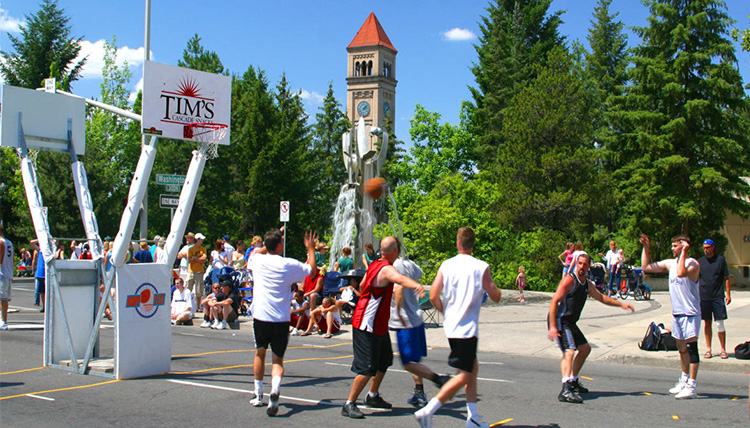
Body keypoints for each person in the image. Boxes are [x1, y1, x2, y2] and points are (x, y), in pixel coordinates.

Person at [414, 227, 500, 428]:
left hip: (452, 326)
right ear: (472, 244)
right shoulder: (481, 266)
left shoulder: (446, 265)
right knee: (464, 375)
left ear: (458, 243)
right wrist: (493, 290)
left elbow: (433, 295)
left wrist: (447, 311)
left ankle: (473, 416)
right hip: (466, 329)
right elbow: (495, 295)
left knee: (472, 367)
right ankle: (428, 410)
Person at [342, 236, 425, 420]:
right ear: (396, 252)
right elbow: (400, 279)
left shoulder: (374, 264)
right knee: (366, 368)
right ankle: (349, 403)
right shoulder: (387, 268)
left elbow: (363, 285)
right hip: (367, 324)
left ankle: (372, 395)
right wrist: (416, 285)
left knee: (385, 360)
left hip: (378, 324)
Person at [547, 251, 634, 404]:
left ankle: (572, 381)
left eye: (585, 264)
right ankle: (566, 389)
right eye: (579, 263)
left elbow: (601, 297)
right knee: (569, 351)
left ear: (589, 267)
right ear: (576, 264)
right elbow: (554, 302)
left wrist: (621, 304)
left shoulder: (587, 284)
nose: (582, 266)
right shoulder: (569, 280)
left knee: (585, 348)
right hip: (561, 321)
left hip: (570, 322)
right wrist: (553, 327)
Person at [248, 229, 318, 417]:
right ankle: (275, 388)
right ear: (280, 246)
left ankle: (258, 394)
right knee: (277, 360)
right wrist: (310, 249)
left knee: (259, 353)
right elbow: (311, 270)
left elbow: (257, 252)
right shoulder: (288, 264)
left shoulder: (257, 260)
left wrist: (272, 238)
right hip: (280, 318)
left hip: (261, 316)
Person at [641, 234, 701, 399]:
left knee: (691, 349)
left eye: (676, 246)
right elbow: (646, 267)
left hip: (690, 313)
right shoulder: (670, 263)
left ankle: (692, 386)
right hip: (677, 313)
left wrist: (684, 252)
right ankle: (684, 379)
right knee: (681, 349)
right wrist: (646, 248)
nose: (672, 249)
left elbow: (681, 273)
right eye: (673, 246)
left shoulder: (693, 264)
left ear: (683, 246)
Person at [390, 253, 450, 408]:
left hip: (405, 319)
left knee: (408, 362)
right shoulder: (410, 264)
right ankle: (419, 392)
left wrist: (397, 310)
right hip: (416, 316)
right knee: (414, 360)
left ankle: (438, 379)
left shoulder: (394, 266)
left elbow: (399, 288)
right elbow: (418, 275)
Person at [697, 239, 731, 360]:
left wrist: (728, 294)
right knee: (707, 323)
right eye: (704, 247)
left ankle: (723, 349)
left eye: (708, 247)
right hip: (704, 297)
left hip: (717, 297)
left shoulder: (720, 260)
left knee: (719, 323)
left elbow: (726, 278)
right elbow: (695, 279)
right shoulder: (700, 262)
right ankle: (708, 349)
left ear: (713, 248)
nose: (706, 249)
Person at [0, 225, 14, 330]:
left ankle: (4, 322)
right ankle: (3, 320)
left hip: (2, 274)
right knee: (3, 300)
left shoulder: (1, 243)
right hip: (8, 273)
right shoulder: (9, 242)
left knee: (3, 300)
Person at [187, 233, 207, 305]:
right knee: (188, 288)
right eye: (201, 239)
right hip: (191, 271)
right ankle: (188, 304)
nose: (202, 241)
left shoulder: (203, 249)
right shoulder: (191, 249)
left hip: (200, 271)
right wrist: (199, 259)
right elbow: (189, 260)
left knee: (199, 291)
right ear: (197, 239)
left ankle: (198, 306)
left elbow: (204, 260)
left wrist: (195, 258)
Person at [30, 240, 45, 312]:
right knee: (41, 292)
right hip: (40, 273)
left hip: (46, 273)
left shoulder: (49, 251)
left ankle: (47, 306)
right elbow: (32, 242)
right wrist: (40, 239)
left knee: (47, 292)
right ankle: (44, 306)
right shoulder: (39, 250)